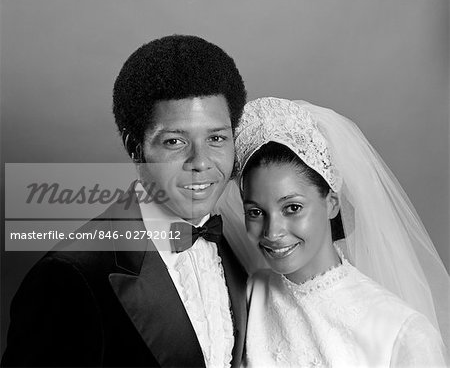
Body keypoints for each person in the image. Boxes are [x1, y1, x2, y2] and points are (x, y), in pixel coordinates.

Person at [1, 35, 248, 367]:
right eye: (175, 141)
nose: (201, 161)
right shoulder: (66, 278)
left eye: (216, 138)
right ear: (135, 148)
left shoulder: (244, 245)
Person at [232, 97, 449, 367]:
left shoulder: (403, 333)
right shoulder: (249, 295)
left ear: (331, 203)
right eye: (255, 212)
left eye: (292, 207)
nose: (272, 231)